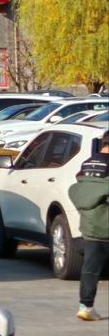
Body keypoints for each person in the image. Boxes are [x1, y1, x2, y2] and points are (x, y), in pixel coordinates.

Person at [69, 137, 109, 321]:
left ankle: (85, 307)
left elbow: (81, 189)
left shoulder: (87, 164)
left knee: (90, 268)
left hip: (90, 224)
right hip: (106, 222)